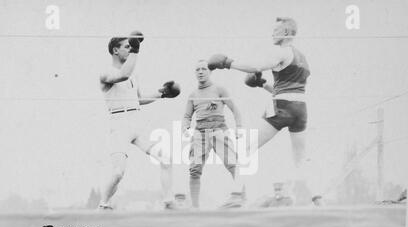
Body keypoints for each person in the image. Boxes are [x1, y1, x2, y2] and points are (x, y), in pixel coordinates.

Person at [207, 17, 322, 206]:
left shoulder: (281, 51)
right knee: (301, 158)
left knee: (246, 148)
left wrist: (228, 62)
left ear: (286, 33)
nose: (272, 33)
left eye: (276, 30)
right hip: (301, 109)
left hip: (282, 106)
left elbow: (255, 67)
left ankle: (236, 195)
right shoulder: (302, 57)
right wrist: (262, 84)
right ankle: (318, 198)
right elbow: (288, 88)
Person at [98, 31, 181, 210]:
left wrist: (162, 94)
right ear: (115, 50)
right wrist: (136, 50)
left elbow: (139, 99)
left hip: (136, 122)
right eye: (127, 47)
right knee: (118, 173)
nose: (130, 50)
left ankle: (169, 201)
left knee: (165, 158)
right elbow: (123, 75)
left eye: (131, 47)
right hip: (118, 123)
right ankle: (103, 205)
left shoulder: (133, 75)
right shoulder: (106, 73)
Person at [182, 60, 245, 208]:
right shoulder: (192, 94)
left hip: (219, 128)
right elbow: (186, 116)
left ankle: (241, 199)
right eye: (197, 69)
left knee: (232, 163)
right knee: (194, 169)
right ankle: (195, 207)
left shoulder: (219, 89)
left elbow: (235, 110)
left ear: (210, 71)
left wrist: (239, 128)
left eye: (204, 69)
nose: (200, 72)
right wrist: (185, 127)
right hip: (200, 131)